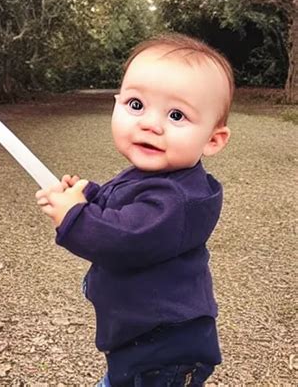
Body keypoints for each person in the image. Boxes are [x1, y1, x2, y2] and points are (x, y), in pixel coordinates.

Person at [35, 33, 234, 386]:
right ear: (117, 102)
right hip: (142, 339)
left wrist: (74, 216)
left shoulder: (181, 200)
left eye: (176, 114)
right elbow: (125, 205)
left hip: (166, 347)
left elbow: (126, 236)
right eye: (136, 105)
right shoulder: (158, 177)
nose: (150, 124)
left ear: (213, 139)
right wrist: (87, 196)